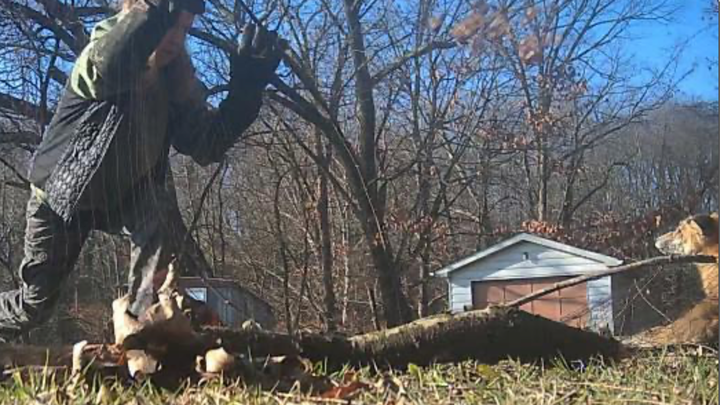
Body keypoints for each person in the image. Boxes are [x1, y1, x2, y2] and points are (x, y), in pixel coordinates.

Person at [0, 0, 280, 341]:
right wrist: (152, 15)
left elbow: (207, 144)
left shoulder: (174, 82)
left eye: (185, 30)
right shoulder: (98, 56)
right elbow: (110, 66)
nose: (176, 38)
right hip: (61, 196)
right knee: (35, 304)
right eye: (170, 26)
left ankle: (142, 333)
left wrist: (246, 91)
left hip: (127, 196)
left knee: (155, 217)